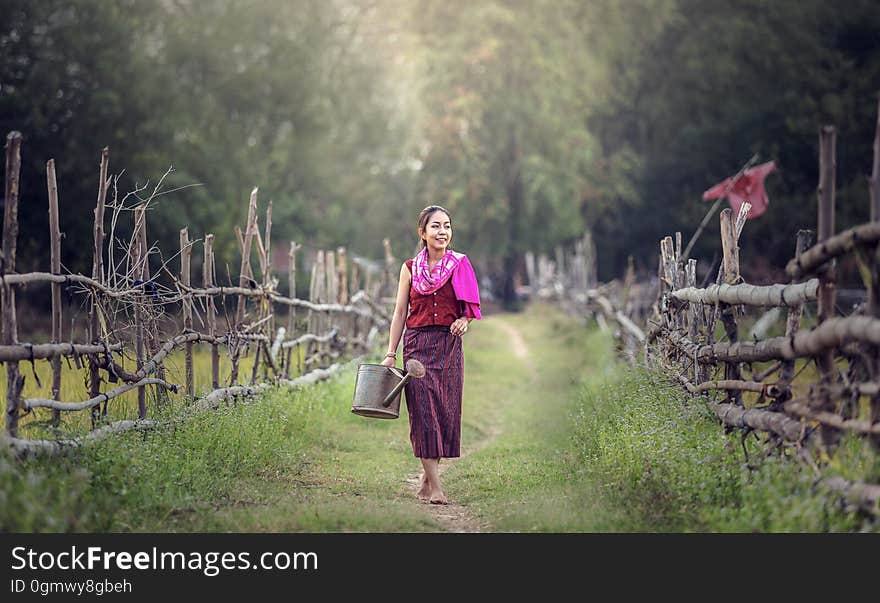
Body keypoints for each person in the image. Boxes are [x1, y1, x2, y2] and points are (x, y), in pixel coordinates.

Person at [380, 205, 481, 505]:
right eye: (435, 226)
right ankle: (436, 487)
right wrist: (390, 353)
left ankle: (426, 480)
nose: (442, 232)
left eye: (447, 226)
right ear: (422, 233)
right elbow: (400, 312)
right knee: (423, 414)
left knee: (445, 413)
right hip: (416, 349)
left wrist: (464, 321)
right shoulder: (409, 268)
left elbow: (469, 309)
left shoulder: (460, 264)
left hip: (448, 347)